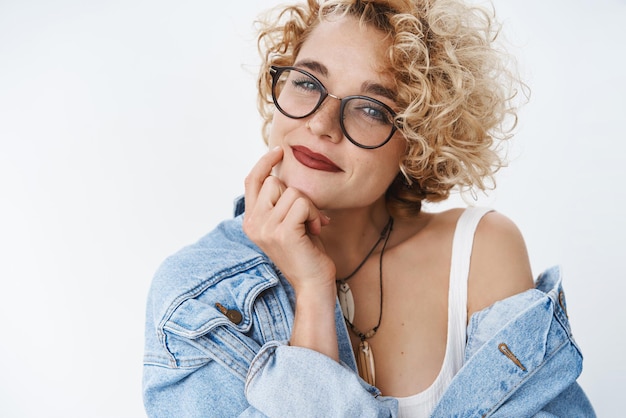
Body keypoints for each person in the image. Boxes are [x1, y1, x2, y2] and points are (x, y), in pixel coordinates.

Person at [143, 0, 595, 416]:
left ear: (420, 140)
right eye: (306, 83)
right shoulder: (199, 298)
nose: (320, 124)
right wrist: (313, 293)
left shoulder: (479, 251)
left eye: (372, 109)